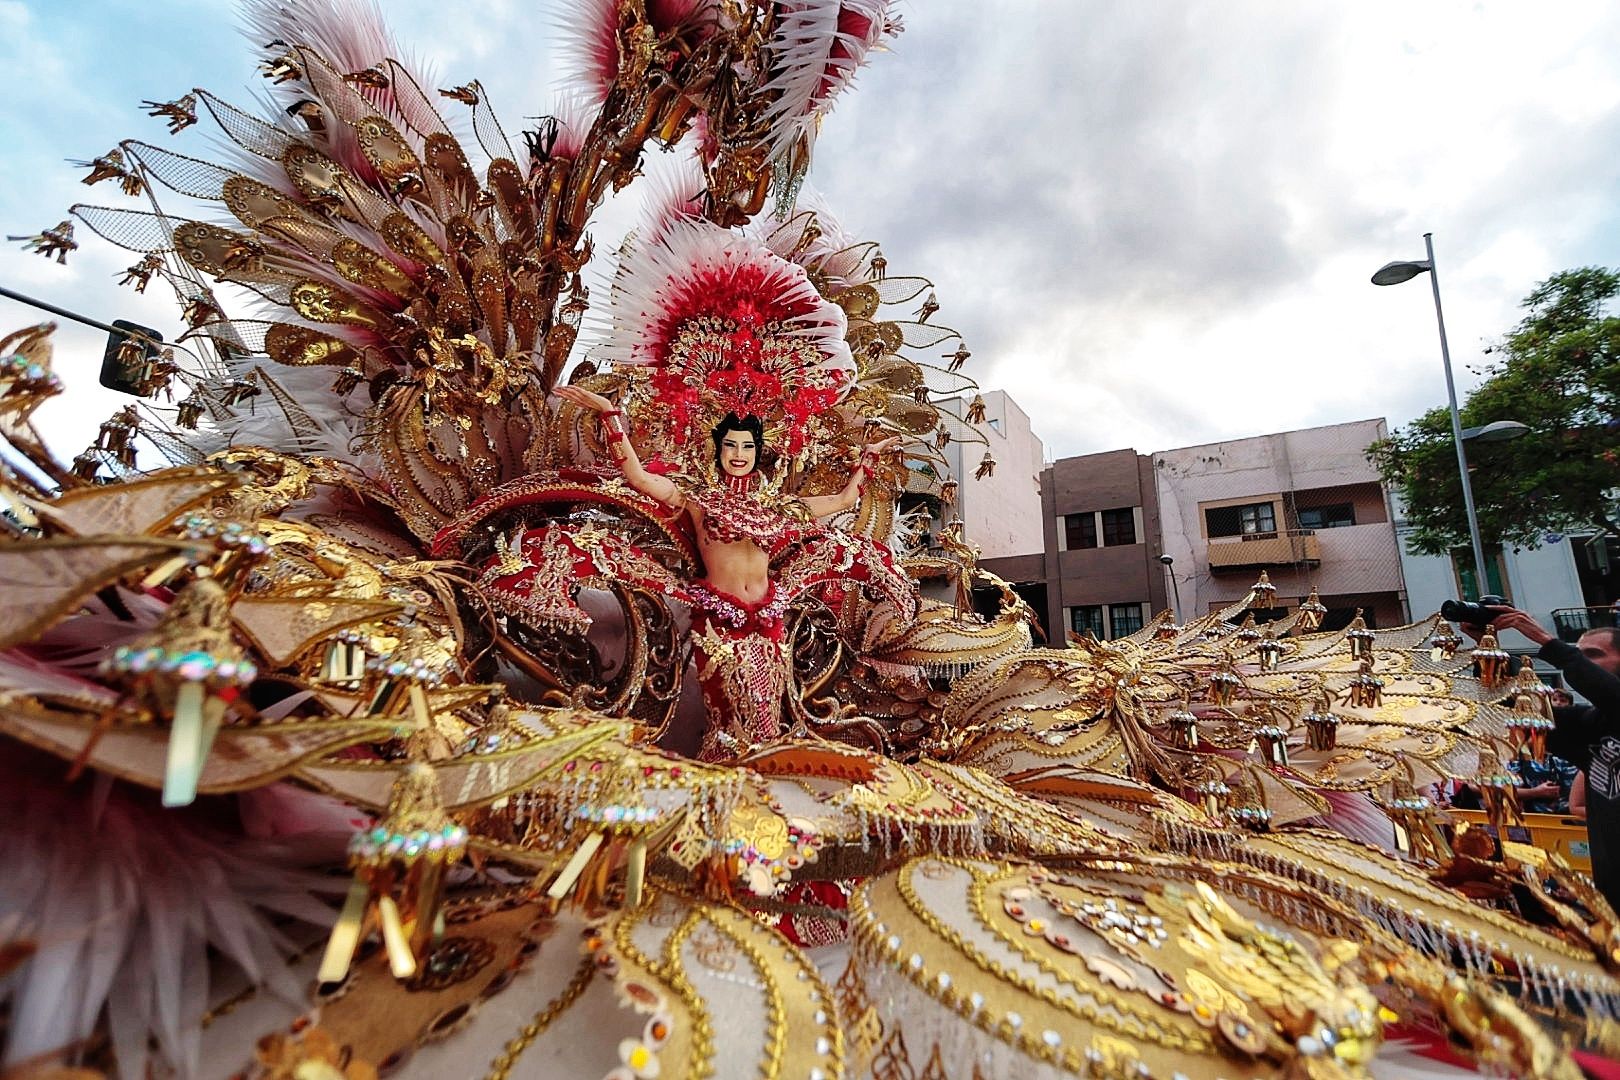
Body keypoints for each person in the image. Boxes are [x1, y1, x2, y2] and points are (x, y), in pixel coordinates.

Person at [554, 384, 904, 758]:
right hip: (720, 624)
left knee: (768, 716)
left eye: (748, 447)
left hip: (770, 622)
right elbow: (639, 478)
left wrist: (868, 457)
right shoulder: (697, 497)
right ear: (718, 449)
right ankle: (723, 783)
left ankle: (760, 784)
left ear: (758, 452)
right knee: (730, 720)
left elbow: (843, 500)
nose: (739, 455)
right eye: (731, 446)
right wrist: (609, 413)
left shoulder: (778, 506)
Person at [1472, 608, 1620, 908]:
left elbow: (1608, 692)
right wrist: (1488, 649)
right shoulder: (1590, 725)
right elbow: (1520, 712)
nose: (1581, 663)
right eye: (1580, 655)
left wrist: (1547, 642)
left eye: (1592, 655)